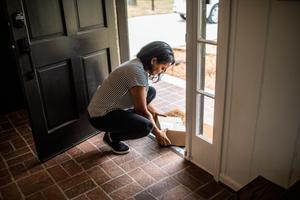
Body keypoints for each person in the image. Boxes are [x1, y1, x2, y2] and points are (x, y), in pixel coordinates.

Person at [87, 41, 175, 154]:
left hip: (107, 107)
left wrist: (154, 112)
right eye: (163, 68)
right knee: (146, 127)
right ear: (153, 61)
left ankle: (127, 122)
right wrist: (158, 133)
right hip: (99, 117)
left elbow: (142, 97)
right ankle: (112, 137)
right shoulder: (137, 73)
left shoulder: (137, 64)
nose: (162, 72)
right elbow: (142, 111)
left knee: (151, 91)